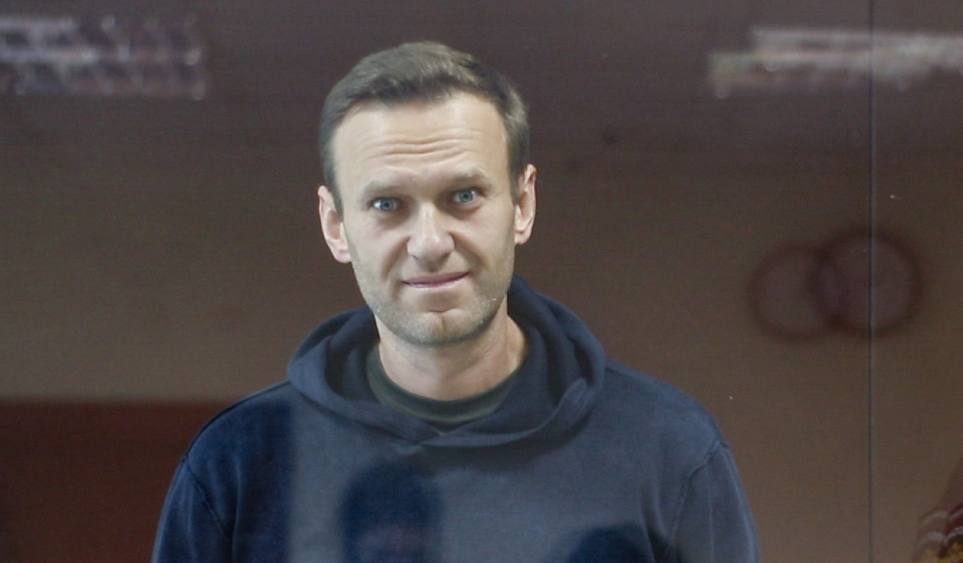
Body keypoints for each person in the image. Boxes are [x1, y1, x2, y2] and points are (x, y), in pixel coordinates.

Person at [152, 41, 759, 562]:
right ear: (335, 226)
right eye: (387, 204)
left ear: (522, 205)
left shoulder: (666, 447)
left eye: (463, 195)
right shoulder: (240, 462)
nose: (430, 243)